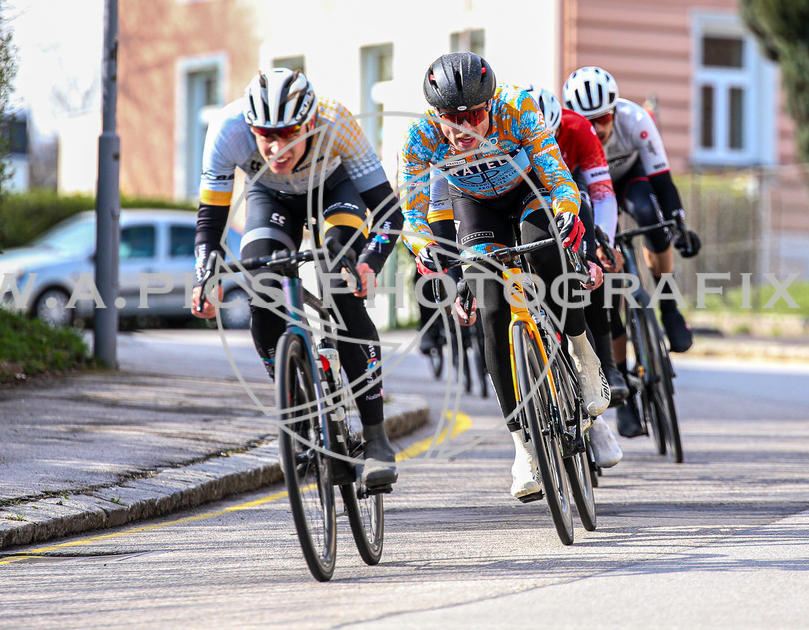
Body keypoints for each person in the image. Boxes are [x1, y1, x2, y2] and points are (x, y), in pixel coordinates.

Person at [399, 52, 623, 501]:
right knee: (492, 312)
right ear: (435, 114)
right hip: (475, 207)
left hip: (528, 192)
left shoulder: (516, 107)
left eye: (475, 116)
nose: (464, 128)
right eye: (452, 118)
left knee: (548, 255)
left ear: (490, 104)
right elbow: (413, 211)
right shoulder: (419, 137)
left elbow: (558, 177)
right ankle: (523, 447)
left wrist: (566, 212)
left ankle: (582, 354)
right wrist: (427, 251)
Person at [190, 68, 404, 489]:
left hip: (335, 191)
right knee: (262, 288)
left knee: (339, 280)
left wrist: (369, 263)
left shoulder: (336, 121)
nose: (277, 147)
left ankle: (376, 439)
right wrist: (203, 277)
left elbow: (388, 213)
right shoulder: (227, 130)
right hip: (270, 198)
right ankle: (298, 404)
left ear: (309, 123)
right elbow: (210, 221)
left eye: (288, 134)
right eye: (265, 136)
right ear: (250, 128)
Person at [562, 66, 701, 436]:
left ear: (615, 110)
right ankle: (623, 389)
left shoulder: (636, 120)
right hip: (589, 189)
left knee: (650, 217)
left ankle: (669, 308)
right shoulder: (566, 135)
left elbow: (662, 180)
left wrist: (678, 225)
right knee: (607, 285)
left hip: (628, 181)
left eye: (604, 118)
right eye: (588, 121)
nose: (597, 128)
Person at [523, 84, 629, 406]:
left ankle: (607, 363)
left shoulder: (579, 128)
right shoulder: (504, 134)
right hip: (525, 196)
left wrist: (603, 243)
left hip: (568, 189)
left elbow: (602, 194)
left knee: (589, 262)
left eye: (551, 137)